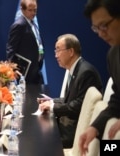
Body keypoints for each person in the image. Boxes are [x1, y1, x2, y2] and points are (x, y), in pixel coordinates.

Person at [38, 34, 103, 148]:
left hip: (76, 132)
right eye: (55, 51)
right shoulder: (74, 69)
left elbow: (79, 105)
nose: (56, 55)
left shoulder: (86, 73)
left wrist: (53, 107)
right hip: (70, 125)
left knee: (42, 139)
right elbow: (71, 99)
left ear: (71, 51)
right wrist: (52, 102)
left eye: (58, 50)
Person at [79, 0, 120, 155]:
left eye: (105, 26)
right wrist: (94, 127)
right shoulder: (113, 54)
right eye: (96, 28)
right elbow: (117, 100)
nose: (101, 34)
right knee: (105, 149)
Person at [6, 0, 44, 84]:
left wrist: (41, 55)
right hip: (25, 71)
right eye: (30, 10)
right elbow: (11, 49)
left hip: (37, 68)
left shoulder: (34, 24)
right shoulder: (19, 25)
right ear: (22, 10)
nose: (33, 13)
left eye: (35, 10)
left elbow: (39, 44)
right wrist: (13, 69)